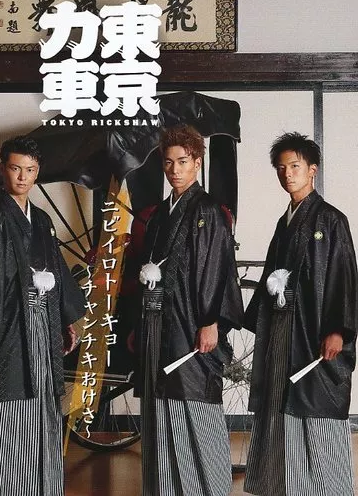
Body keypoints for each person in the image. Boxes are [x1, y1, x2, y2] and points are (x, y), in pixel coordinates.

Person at [0, 136, 84, 496]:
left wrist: (65, 319)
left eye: (30, 170)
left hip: (43, 323)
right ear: (3, 170)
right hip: (8, 327)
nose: (22, 177)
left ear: (37, 172)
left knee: (43, 401)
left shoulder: (42, 220)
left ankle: (39, 487)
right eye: (15, 168)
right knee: (4, 400)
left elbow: (56, 272)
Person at [244, 132, 357, 495]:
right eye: (281, 168)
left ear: (312, 170)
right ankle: (286, 488)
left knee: (316, 409)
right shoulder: (285, 222)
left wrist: (338, 329)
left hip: (313, 332)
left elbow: (342, 276)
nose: (287, 174)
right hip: (283, 329)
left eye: (294, 166)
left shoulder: (331, 219)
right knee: (281, 408)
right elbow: (271, 276)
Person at [135, 125, 244, 496]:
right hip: (158, 322)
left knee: (195, 403)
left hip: (192, 323)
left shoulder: (208, 210)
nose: (175, 170)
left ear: (197, 162)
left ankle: (210, 489)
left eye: (183, 161)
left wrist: (211, 321)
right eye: (168, 163)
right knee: (160, 407)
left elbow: (217, 267)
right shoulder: (159, 215)